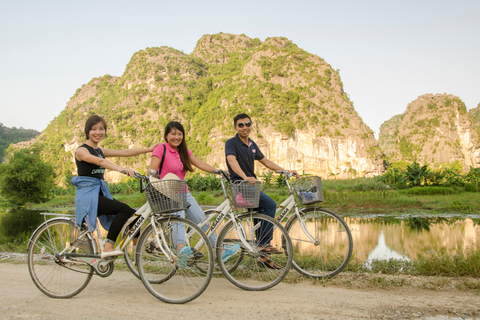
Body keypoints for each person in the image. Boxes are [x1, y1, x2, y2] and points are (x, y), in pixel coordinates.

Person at [148, 121, 240, 265]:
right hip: (167, 192)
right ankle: (180, 250)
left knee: (202, 220)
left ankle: (219, 250)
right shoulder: (161, 148)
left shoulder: (183, 151)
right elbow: (152, 169)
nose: (176, 137)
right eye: (173, 134)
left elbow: (200, 163)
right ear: (166, 135)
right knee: (179, 219)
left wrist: (217, 170)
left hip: (184, 192)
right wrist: (152, 177)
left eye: (180, 134)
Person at [71, 114, 157, 259]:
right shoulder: (82, 151)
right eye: (94, 129)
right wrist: (120, 169)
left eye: (101, 129)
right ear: (87, 131)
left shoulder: (100, 150)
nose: (98, 132)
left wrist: (148, 150)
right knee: (123, 210)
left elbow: (125, 152)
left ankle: (137, 247)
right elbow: (100, 162)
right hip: (88, 197)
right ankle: (108, 247)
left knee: (134, 215)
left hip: (99, 194)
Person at [225, 113, 299, 268]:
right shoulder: (231, 143)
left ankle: (263, 257)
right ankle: (264, 243)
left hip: (251, 184)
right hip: (241, 184)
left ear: (251, 126)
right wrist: (245, 177)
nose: (245, 127)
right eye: (241, 125)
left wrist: (285, 171)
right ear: (235, 127)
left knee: (261, 215)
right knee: (270, 205)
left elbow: (266, 161)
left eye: (247, 124)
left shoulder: (252, 144)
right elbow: (232, 161)